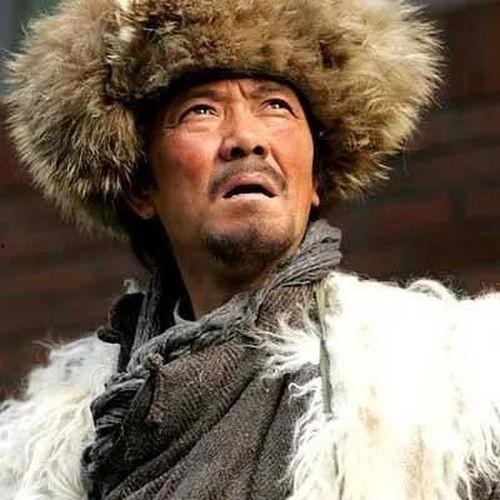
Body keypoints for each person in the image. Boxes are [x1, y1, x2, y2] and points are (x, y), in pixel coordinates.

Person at [1, 0, 499, 498]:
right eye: (201, 111)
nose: (246, 138)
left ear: (315, 177)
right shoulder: (50, 450)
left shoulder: (450, 384)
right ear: (141, 188)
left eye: (275, 106)